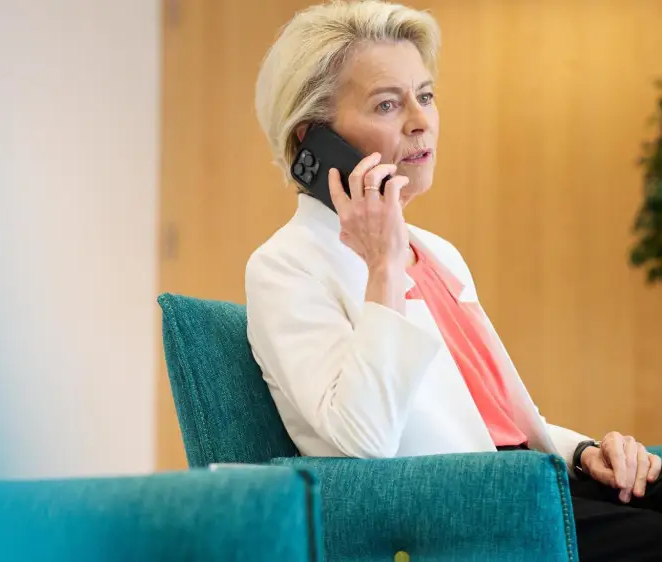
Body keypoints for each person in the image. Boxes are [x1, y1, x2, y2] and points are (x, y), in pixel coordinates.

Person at [245, 1, 662, 559]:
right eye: (387, 104)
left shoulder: (438, 253)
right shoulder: (285, 266)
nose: (420, 121)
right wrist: (384, 267)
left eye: (425, 95)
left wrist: (584, 453)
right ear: (313, 141)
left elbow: (496, 424)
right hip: (475, 512)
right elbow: (363, 444)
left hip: (532, 485)